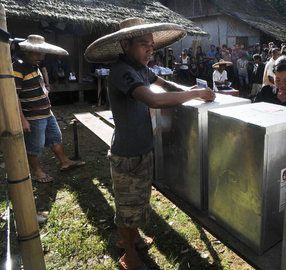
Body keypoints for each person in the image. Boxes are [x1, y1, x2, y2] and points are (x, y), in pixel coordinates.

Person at [84, 17, 215, 270]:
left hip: (142, 147)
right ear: (125, 45)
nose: (150, 50)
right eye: (144, 44)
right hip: (127, 152)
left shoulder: (141, 68)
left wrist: (189, 91)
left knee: (139, 200)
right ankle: (129, 256)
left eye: (151, 45)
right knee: (127, 205)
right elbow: (153, 100)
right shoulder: (122, 71)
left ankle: (132, 239)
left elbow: (164, 85)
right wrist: (195, 94)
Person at [14, 35, 86, 183]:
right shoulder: (18, 68)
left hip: (47, 112)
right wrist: (22, 120)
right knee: (35, 145)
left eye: (43, 54)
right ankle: (36, 172)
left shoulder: (35, 66)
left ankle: (65, 161)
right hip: (33, 116)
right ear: (27, 51)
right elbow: (14, 96)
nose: (41, 57)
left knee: (55, 138)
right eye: (38, 54)